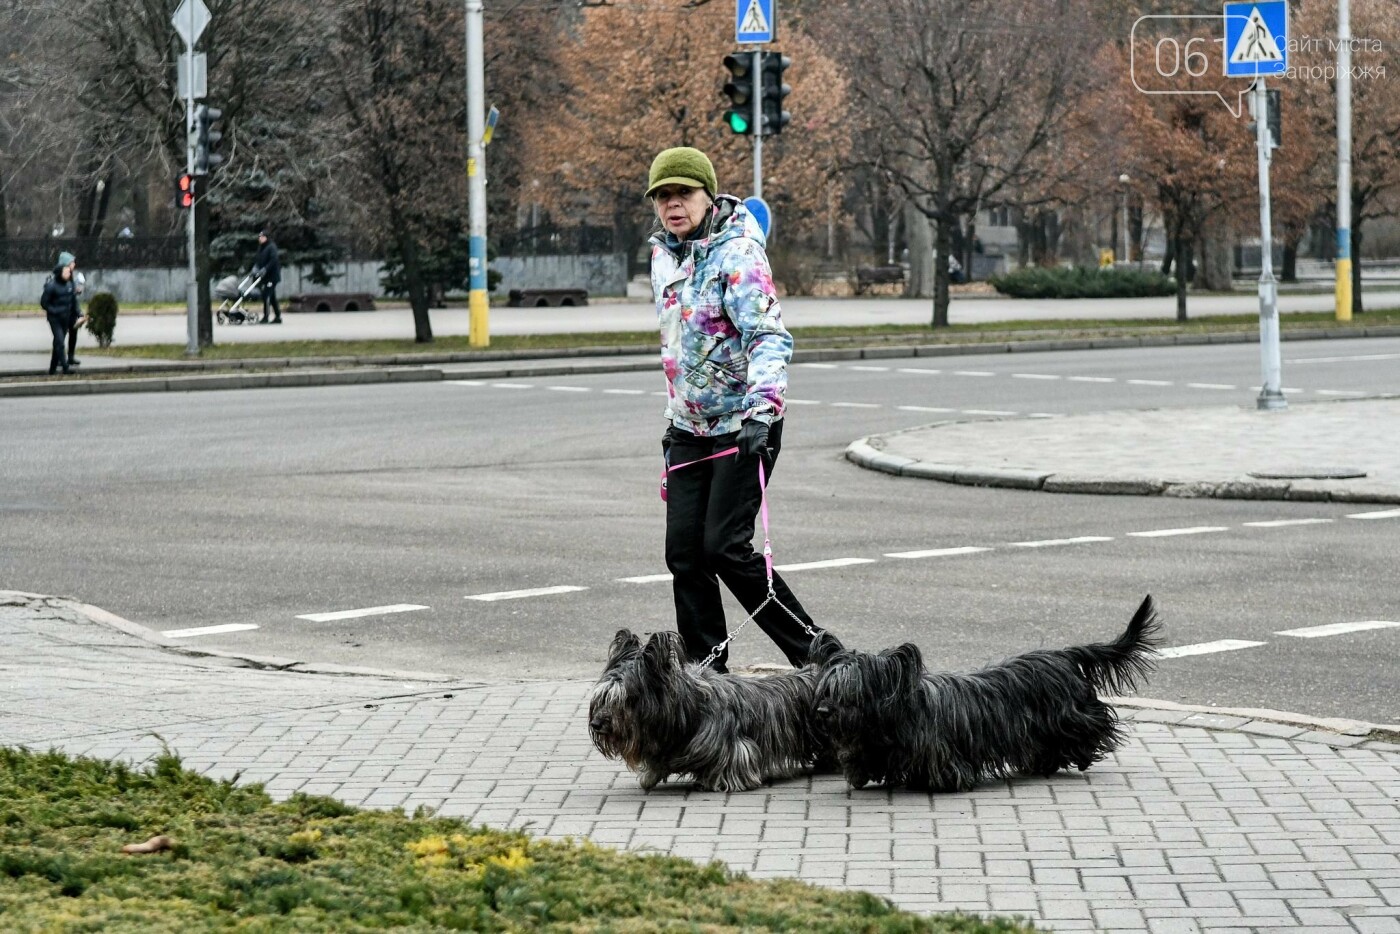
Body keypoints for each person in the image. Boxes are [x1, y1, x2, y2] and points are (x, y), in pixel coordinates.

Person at [646, 146, 824, 673]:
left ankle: (818, 658)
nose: (673, 205)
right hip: (688, 428)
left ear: (708, 196)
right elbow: (679, 349)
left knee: (725, 548)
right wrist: (672, 421)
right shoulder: (663, 256)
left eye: (683, 194)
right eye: (663, 196)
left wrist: (762, 413)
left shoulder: (738, 252)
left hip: (745, 423)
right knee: (684, 553)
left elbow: (768, 336)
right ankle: (707, 673)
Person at [39, 251, 81, 375]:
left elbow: (73, 301)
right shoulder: (51, 286)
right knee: (60, 341)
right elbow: (44, 303)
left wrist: (80, 313)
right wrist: (54, 311)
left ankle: (52, 369)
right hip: (55, 319)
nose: (70, 271)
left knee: (58, 342)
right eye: (67, 269)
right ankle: (65, 367)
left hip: (66, 317)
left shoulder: (69, 284)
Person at [252, 230, 282, 324]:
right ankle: (278, 317)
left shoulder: (271, 247)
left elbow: (273, 260)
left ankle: (266, 316)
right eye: (259, 237)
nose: (260, 239)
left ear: (266, 237)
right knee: (272, 297)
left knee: (266, 295)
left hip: (272, 277)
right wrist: (255, 268)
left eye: (262, 237)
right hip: (265, 277)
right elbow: (258, 259)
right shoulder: (261, 248)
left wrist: (265, 269)